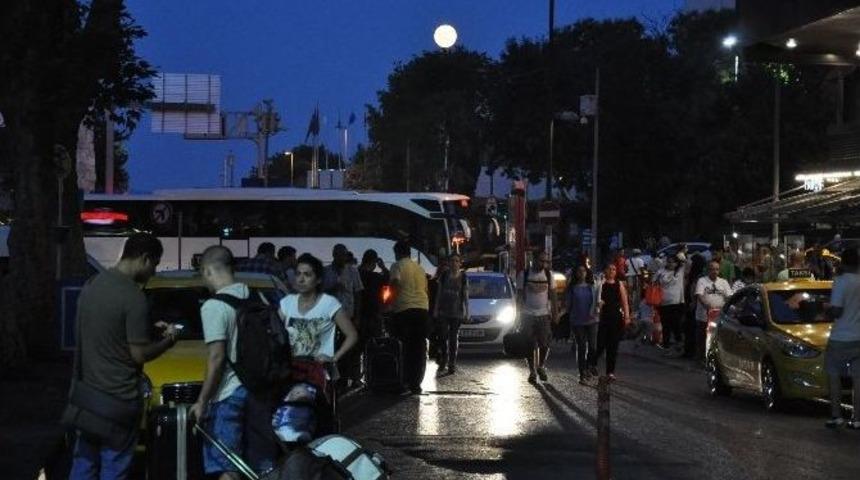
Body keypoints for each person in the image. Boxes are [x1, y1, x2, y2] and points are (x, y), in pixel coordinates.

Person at [68, 233, 177, 480]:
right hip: (119, 400)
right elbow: (138, 354)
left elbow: (102, 332)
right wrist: (168, 340)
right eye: (155, 265)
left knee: (83, 465)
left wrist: (146, 327)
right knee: (114, 469)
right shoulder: (133, 296)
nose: (154, 273)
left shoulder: (92, 285)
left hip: (87, 398)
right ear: (145, 258)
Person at [190, 246, 276, 478]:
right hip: (259, 391)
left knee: (227, 467)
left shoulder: (214, 306)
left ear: (207, 271)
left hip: (228, 395)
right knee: (259, 465)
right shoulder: (255, 296)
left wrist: (202, 401)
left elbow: (216, 358)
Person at [388, 240, 431, 394]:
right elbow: (425, 289)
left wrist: (388, 303)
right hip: (422, 309)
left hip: (404, 310)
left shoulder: (397, 266)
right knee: (419, 348)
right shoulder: (420, 268)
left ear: (398, 253)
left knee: (404, 347)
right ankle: (416, 384)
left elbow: (395, 283)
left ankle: (404, 382)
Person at [824, 247, 860, 429]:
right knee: (858, 378)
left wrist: (826, 308)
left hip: (841, 337)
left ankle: (836, 416)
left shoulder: (841, 281)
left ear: (843, 262)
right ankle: (857, 418)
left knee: (834, 374)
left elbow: (837, 310)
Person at [323, 244, 364, 387]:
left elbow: (358, 293)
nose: (342, 258)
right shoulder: (325, 272)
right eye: (339, 255)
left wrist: (358, 316)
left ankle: (354, 377)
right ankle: (336, 378)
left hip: (348, 316)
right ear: (334, 255)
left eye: (344, 255)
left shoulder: (353, 271)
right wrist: (332, 289)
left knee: (351, 348)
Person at [517, 250, 558, 383]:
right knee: (529, 344)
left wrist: (555, 313)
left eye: (545, 261)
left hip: (544, 314)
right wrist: (518, 314)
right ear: (533, 260)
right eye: (541, 260)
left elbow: (553, 295)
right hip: (527, 314)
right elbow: (519, 296)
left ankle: (540, 366)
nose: (543, 263)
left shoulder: (548, 275)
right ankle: (532, 371)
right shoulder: (524, 275)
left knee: (544, 343)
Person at [591, 263, 630, 380]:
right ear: (605, 271)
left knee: (613, 346)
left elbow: (624, 302)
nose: (612, 271)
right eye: (609, 269)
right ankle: (591, 364)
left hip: (615, 318)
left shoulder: (619, 284)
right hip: (602, 318)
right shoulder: (600, 284)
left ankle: (610, 371)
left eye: (614, 269)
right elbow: (594, 299)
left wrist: (627, 316)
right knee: (600, 344)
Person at [432, 253, 469, 375]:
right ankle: (444, 356)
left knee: (453, 338)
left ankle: (452, 363)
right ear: (449, 262)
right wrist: (436, 309)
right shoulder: (444, 275)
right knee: (442, 336)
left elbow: (465, 295)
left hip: (456, 312)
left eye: (456, 261)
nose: (454, 263)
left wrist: (467, 311)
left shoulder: (463, 277)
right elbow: (439, 293)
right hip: (443, 311)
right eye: (452, 261)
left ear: (460, 263)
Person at [694, 260, 732, 362]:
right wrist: (706, 306)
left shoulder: (723, 282)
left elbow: (729, 296)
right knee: (702, 338)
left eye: (716, 269)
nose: (714, 271)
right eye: (712, 269)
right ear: (708, 270)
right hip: (704, 316)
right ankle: (701, 358)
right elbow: (699, 295)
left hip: (719, 317)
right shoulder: (702, 281)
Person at [567, 265, 599, 384]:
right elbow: (568, 304)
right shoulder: (572, 288)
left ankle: (589, 366)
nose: (581, 273)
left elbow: (597, 300)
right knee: (581, 347)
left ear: (587, 272)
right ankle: (582, 373)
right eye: (579, 271)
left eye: (583, 271)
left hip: (592, 320)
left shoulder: (592, 286)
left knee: (593, 346)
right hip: (577, 321)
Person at [655, 254, 686, 354]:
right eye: (668, 261)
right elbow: (653, 281)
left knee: (676, 324)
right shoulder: (660, 271)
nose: (670, 263)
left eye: (672, 261)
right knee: (666, 325)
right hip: (663, 302)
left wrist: (681, 254)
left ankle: (679, 344)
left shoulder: (680, 271)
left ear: (676, 263)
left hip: (677, 302)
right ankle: (666, 345)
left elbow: (687, 261)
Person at [358, 249, 389, 340]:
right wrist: (382, 266)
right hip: (374, 314)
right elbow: (388, 278)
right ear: (374, 262)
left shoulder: (356, 274)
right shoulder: (375, 277)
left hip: (358, 315)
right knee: (374, 345)